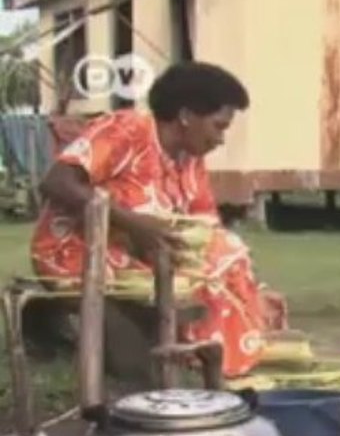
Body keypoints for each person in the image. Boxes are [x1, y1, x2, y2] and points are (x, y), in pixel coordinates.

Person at [29, 61, 288, 379]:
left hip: (144, 262)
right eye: (218, 126)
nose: (220, 140)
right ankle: (213, 369)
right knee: (142, 364)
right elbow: (56, 182)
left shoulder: (189, 161)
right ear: (185, 116)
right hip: (75, 255)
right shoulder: (127, 130)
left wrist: (250, 290)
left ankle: (220, 363)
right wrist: (132, 223)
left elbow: (206, 229)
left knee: (227, 252)